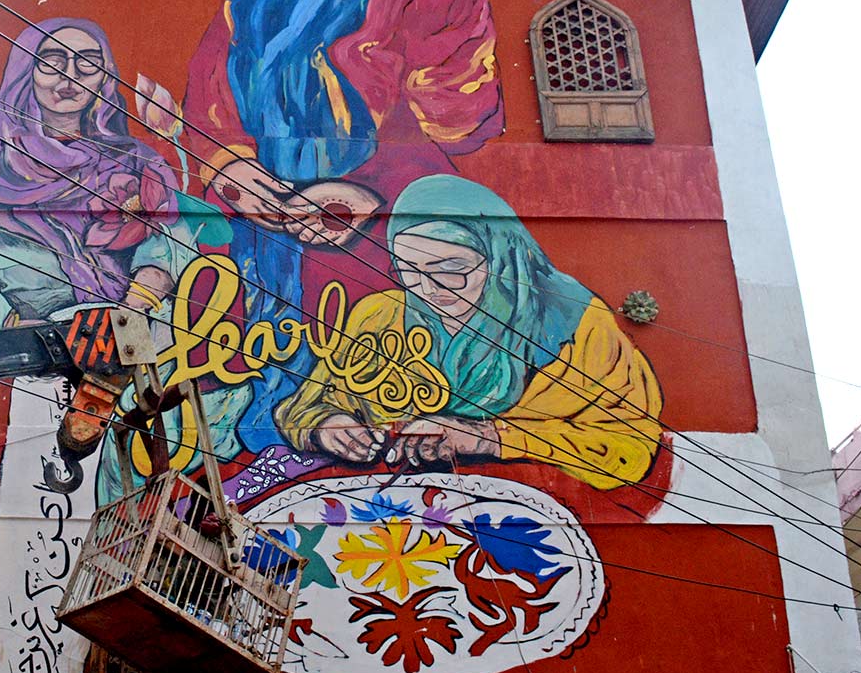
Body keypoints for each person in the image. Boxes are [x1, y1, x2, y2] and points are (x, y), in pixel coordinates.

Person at [182, 0, 504, 451]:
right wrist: (230, 169)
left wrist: (366, 182)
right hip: (268, 220)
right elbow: (211, 94)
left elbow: (462, 115)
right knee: (272, 358)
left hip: (385, 220)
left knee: (376, 366)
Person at [274, 175, 663, 491]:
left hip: (529, 532)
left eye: (450, 269)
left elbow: (629, 448)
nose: (429, 290)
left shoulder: (577, 326)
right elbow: (302, 406)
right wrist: (326, 428)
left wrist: (489, 438)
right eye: (409, 272)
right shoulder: (380, 314)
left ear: (502, 258)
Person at [0, 17, 187, 330]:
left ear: (104, 77)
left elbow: (171, 239)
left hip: (136, 335)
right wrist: (4, 325)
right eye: (51, 62)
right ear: (26, 71)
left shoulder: (138, 160)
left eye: (88, 64)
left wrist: (132, 309)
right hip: (28, 348)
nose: (69, 78)